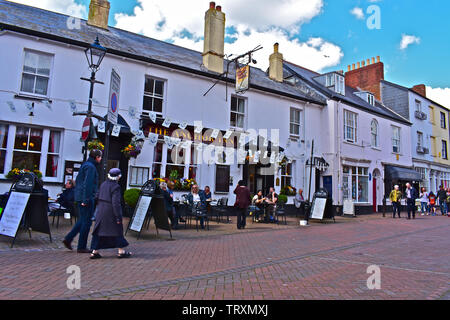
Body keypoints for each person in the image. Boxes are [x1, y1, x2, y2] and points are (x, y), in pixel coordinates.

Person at [63, 149, 102, 253]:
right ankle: (81, 246)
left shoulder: (86, 164)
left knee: (82, 220)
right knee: (87, 222)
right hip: (87, 197)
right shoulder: (91, 167)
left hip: (81, 197)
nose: (101, 159)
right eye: (100, 157)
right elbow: (87, 184)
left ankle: (68, 239)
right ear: (97, 157)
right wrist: (86, 199)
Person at [90, 168, 131, 259]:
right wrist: (118, 216)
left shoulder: (103, 184)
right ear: (118, 177)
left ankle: (94, 252)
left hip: (101, 210)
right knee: (117, 230)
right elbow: (115, 203)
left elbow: (97, 196)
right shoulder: (116, 187)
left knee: (99, 231)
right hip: (110, 211)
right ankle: (121, 251)